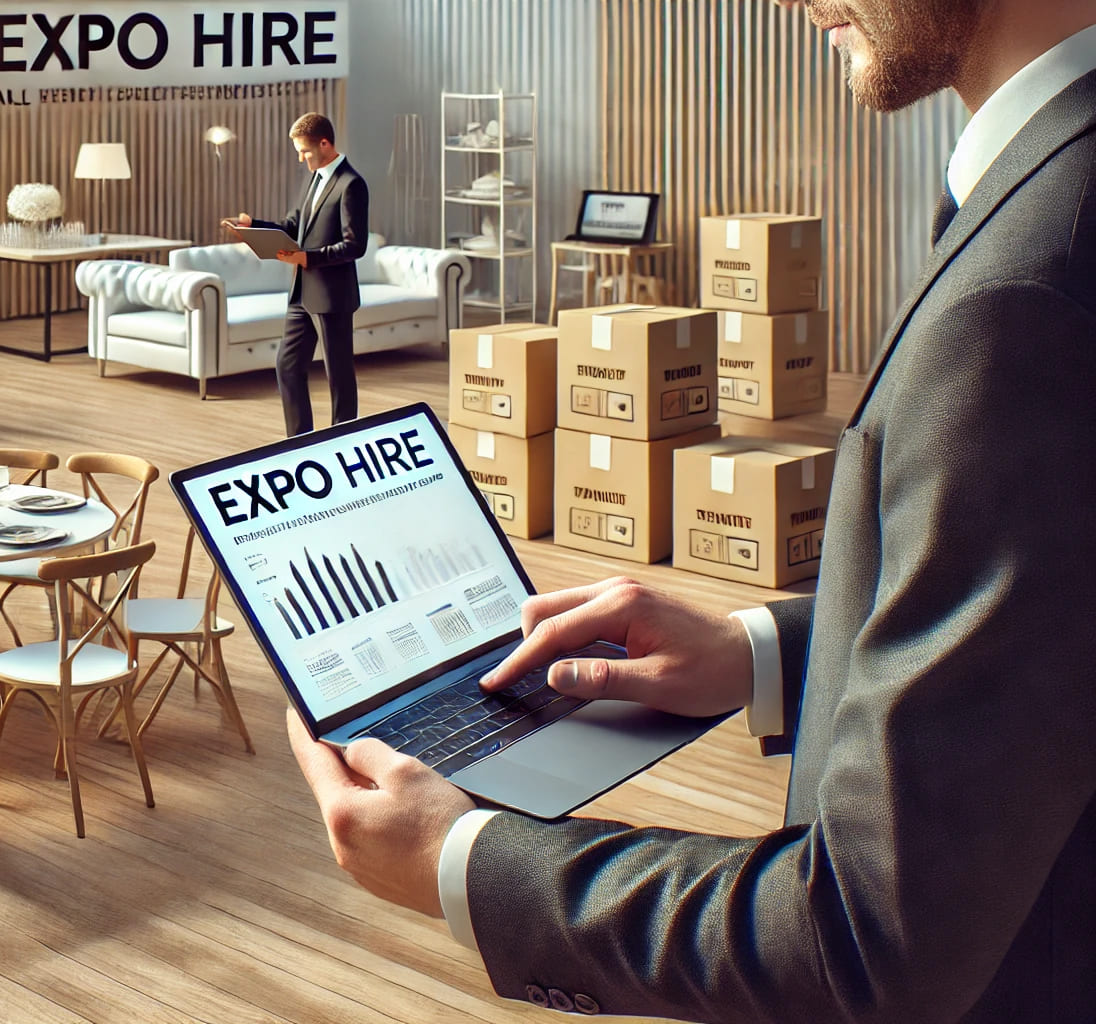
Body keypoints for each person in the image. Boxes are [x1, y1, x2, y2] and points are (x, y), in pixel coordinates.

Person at [288, 1, 1096, 1019]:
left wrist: (463, 858)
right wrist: (753, 651)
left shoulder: (1028, 286)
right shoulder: (1051, 183)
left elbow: (865, 940)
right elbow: (1052, 618)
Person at [221, 113, 369, 437]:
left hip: (332, 296)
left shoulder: (351, 184)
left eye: (305, 151)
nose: (301, 158)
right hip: (301, 293)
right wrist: (253, 226)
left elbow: (355, 246)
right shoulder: (314, 179)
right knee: (287, 367)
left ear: (325, 143)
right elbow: (293, 226)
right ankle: (299, 439)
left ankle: (343, 440)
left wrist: (308, 258)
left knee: (338, 377)